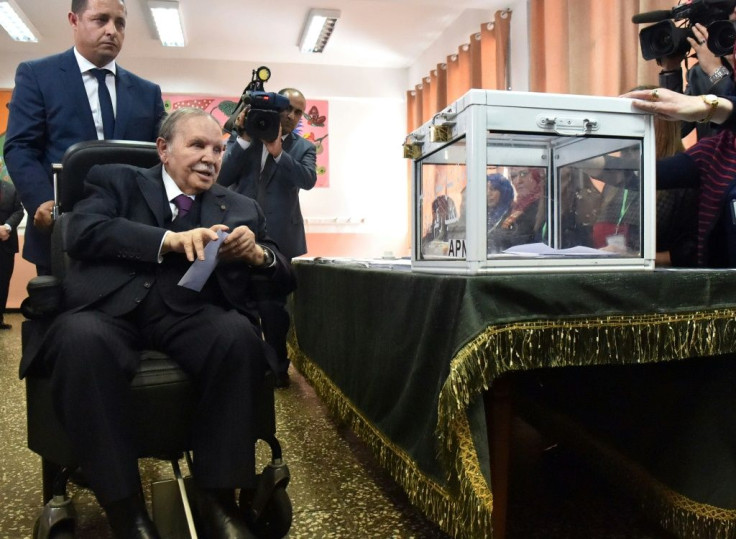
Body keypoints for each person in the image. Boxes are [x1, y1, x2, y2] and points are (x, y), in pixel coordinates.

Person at [20, 108, 294, 538]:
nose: (211, 157)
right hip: (109, 308)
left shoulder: (240, 206)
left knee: (238, 336)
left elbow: (284, 273)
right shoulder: (116, 181)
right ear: (163, 150)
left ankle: (216, 499)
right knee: (80, 340)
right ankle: (127, 512)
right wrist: (167, 240)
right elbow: (82, 233)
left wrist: (260, 255)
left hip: (189, 312)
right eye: (198, 145)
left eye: (218, 149)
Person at [3, 0, 165, 275]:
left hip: (131, 231)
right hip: (61, 229)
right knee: (62, 316)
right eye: (101, 20)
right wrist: (41, 201)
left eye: (120, 23)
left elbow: (162, 154)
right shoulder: (37, 76)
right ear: (74, 20)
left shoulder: (147, 92)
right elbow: (20, 147)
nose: (112, 30)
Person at [217, 87, 317, 387]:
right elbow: (222, 178)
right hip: (239, 231)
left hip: (281, 238)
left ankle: (277, 368)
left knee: (274, 308)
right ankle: (242, 364)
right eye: (288, 108)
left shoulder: (303, 147)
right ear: (275, 107)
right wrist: (246, 139)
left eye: (299, 112)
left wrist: (278, 152)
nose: (292, 115)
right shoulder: (244, 136)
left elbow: (308, 180)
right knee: (235, 297)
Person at [657, 10, 736, 140]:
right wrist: (670, 70)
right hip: (706, 158)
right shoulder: (699, 73)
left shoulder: (710, 68)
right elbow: (677, 130)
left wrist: (716, 72)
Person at [0, 178, 24, 330]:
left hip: (6, 244)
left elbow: (19, 211)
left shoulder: (11, 189)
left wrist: (7, 227)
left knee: (3, 282)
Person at [485, 173, 514, 255]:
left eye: (493, 189)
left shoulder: (512, 216)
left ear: (504, 192)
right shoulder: (484, 214)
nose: (488, 194)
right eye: (486, 189)